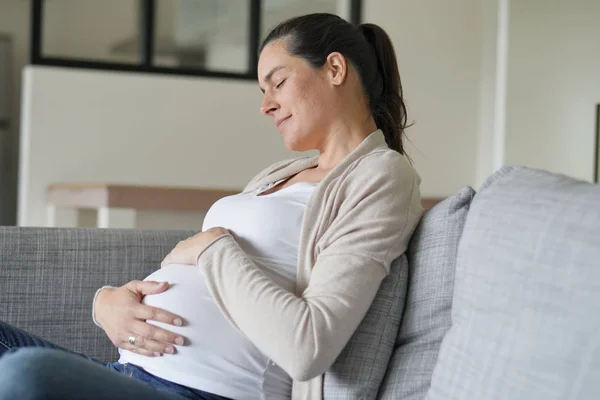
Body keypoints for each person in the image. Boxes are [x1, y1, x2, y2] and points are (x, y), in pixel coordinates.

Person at [0, 13, 423, 400]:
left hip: (203, 393)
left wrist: (211, 247)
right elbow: (190, 261)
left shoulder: (381, 175)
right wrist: (106, 305)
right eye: (263, 91)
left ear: (334, 68)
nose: (266, 105)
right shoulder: (282, 173)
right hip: (127, 373)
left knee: (26, 376)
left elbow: (307, 346)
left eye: (278, 82)